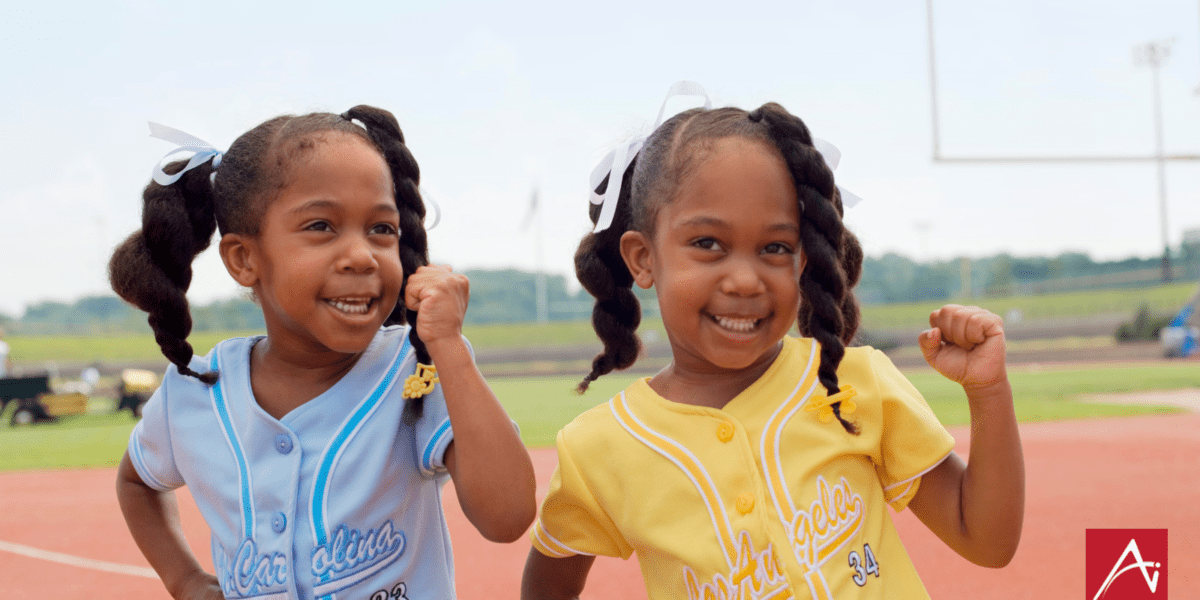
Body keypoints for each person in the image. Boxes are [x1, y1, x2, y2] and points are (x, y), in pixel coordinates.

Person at [521, 83, 1024, 599]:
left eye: (775, 247)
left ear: (803, 258)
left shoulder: (855, 383)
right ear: (643, 258)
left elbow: (986, 541)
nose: (745, 279)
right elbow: (547, 581)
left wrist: (988, 392)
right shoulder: (601, 447)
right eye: (708, 243)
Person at [110, 106, 536, 600]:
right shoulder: (195, 391)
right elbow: (137, 481)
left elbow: (507, 518)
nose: (361, 255)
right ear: (244, 259)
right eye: (321, 226)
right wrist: (184, 579)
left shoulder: (417, 367)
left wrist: (449, 349)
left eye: (382, 229)